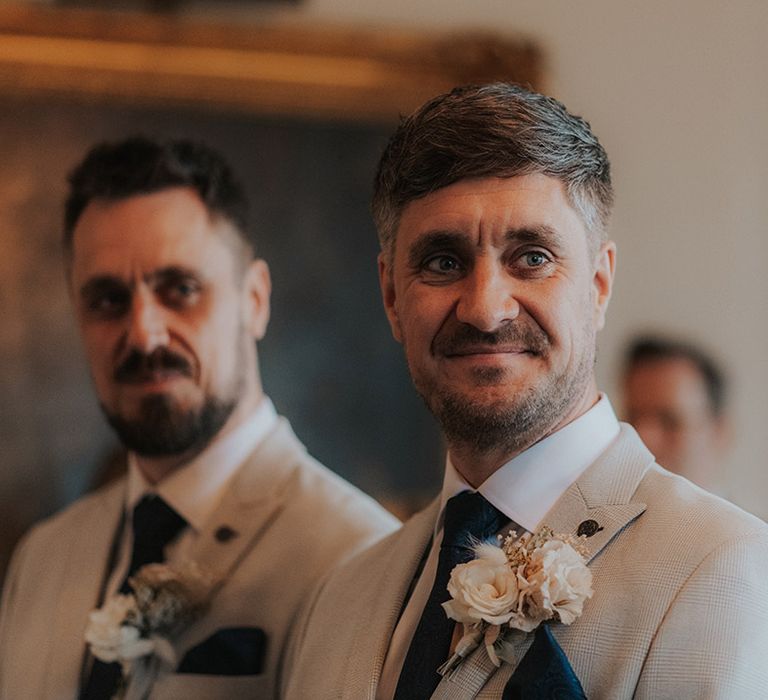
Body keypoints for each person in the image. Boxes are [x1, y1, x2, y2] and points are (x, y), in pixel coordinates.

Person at [284, 83, 768, 699]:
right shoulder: (341, 598)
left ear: (597, 285)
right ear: (390, 297)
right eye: (442, 262)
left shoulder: (718, 568)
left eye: (532, 257)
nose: (485, 309)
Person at [0, 136, 399, 700]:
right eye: (109, 300)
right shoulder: (41, 559)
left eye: (180, 289)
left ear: (254, 299)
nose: (144, 334)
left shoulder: (361, 558)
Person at [621, 334, 730, 494]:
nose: (644, 437)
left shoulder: (746, 520)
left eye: (669, 421)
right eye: (633, 418)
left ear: (719, 432)